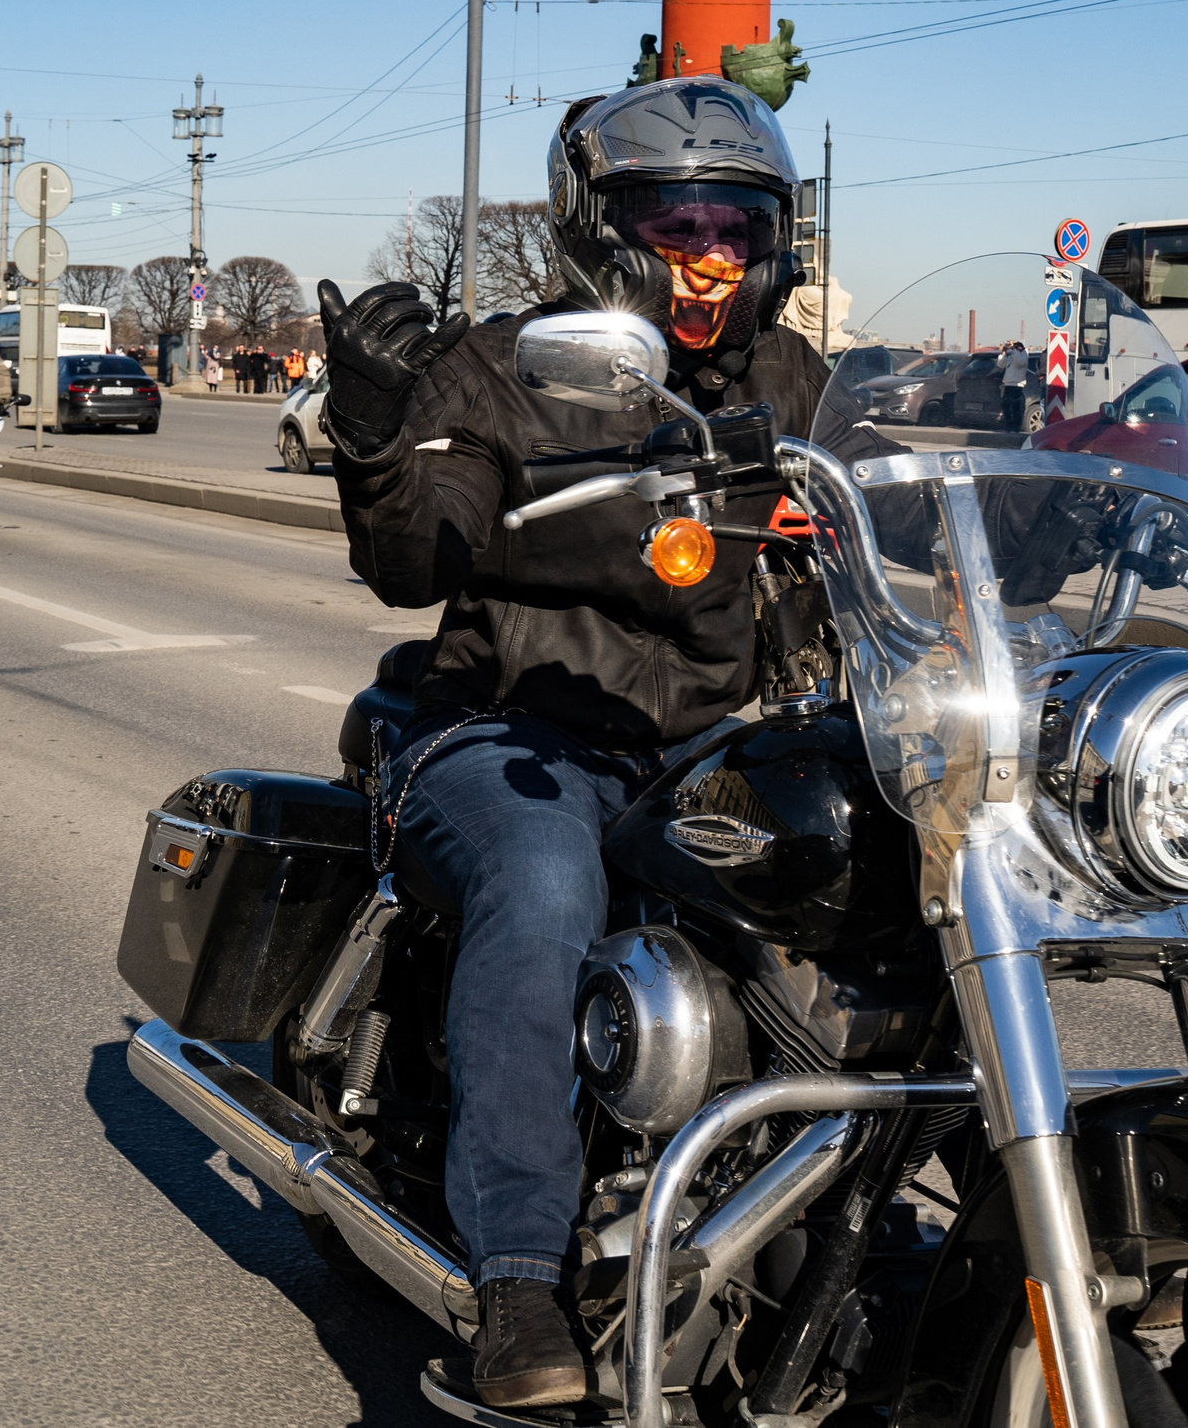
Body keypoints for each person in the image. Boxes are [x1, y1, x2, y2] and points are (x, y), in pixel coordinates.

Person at [318, 76, 834, 1410]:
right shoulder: (504, 364)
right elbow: (415, 549)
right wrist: (377, 443)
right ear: (603, 228)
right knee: (548, 880)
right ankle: (519, 1277)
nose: (715, 256)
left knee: (866, 871)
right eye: (683, 226)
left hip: (708, 737)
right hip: (507, 730)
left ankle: (846, 1203)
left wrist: (1035, 517)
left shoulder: (789, 376)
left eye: (738, 224)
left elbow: (890, 488)